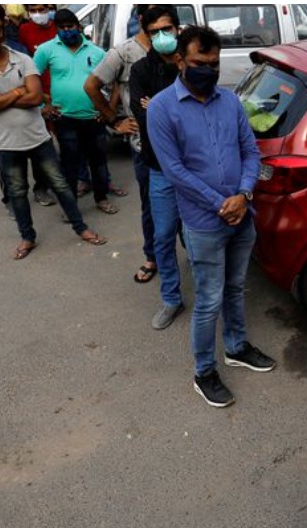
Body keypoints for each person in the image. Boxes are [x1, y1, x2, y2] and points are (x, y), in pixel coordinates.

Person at [148, 25, 277, 407]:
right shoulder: (161, 107)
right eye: (199, 63)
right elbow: (174, 171)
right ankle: (203, 371)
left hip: (243, 214)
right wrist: (222, 203)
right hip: (205, 223)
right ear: (179, 61)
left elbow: (251, 152)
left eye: (215, 63)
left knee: (236, 288)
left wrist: (243, 194)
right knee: (208, 298)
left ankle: (236, 347)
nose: (209, 69)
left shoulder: (230, 102)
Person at [0, 10, 105, 259]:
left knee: (61, 186)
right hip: (8, 144)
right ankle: (27, 237)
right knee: (17, 193)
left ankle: (81, 228)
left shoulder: (23, 58)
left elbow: (36, 97)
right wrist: (19, 93)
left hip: (39, 139)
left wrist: (1, 98)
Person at [86, 4, 160, 283]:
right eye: (154, 20)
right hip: (144, 145)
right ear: (141, 20)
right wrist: (114, 121)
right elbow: (92, 86)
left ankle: (187, 252)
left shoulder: (178, 49)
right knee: (151, 205)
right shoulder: (124, 52)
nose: (162, 32)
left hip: (180, 146)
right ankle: (152, 256)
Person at [129, 5, 186, 329]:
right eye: (155, 32)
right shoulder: (140, 71)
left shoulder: (190, 64)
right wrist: (170, 108)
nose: (162, 36)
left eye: (167, 29)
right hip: (160, 168)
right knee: (163, 236)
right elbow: (145, 118)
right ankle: (171, 299)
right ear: (147, 35)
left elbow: (196, 113)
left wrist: (158, 105)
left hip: (194, 168)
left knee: (196, 237)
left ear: (178, 28)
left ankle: (211, 296)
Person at [34, 9, 117, 215]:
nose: (66, 31)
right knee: (69, 165)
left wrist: (108, 111)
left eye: (70, 27)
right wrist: (45, 104)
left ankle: (101, 198)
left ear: (78, 27)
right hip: (65, 119)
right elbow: (31, 78)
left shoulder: (96, 52)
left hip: (94, 117)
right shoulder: (46, 50)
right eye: (61, 28)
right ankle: (70, 207)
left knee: (98, 162)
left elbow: (116, 82)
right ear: (57, 29)